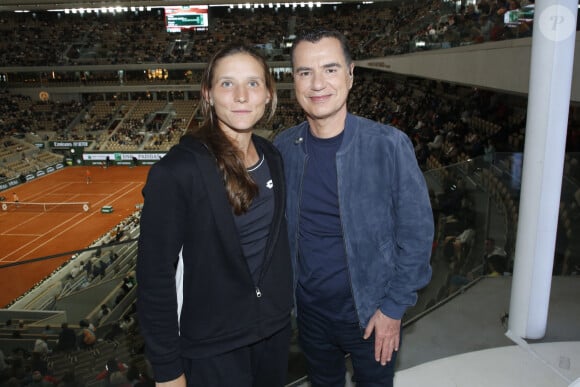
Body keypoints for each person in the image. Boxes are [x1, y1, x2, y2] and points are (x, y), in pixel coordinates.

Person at [273, 29, 434, 386]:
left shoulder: (389, 145)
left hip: (372, 313)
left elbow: (418, 235)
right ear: (293, 81)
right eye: (304, 72)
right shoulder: (283, 148)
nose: (317, 83)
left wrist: (393, 308)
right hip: (310, 315)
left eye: (330, 69)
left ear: (350, 75)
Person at [137, 44, 293, 387]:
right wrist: (167, 370)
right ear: (207, 94)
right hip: (213, 348)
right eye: (226, 84)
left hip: (273, 334)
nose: (241, 96)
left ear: (268, 94)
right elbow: (154, 277)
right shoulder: (177, 171)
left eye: (253, 83)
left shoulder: (273, 156)